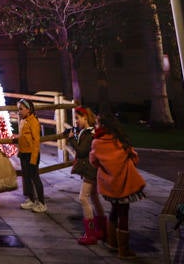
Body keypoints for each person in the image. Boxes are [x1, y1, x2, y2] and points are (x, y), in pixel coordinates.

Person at [89, 113, 147, 260]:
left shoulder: (96, 142)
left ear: (102, 126)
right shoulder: (119, 140)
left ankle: (112, 242)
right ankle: (123, 250)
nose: (95, 126)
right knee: (123, 214)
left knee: (114, 210)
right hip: (125, 183)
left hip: (110, 185)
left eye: (97, 123)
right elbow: (134, 157)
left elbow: (93, 161)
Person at [65, 105, 106, 244]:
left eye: (77, 118)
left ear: (85, 118)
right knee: (94, 197)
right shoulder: (89, 132)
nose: (76, 121)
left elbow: (81, 151)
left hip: (90, 170)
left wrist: (71, 139)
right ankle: (102, 230)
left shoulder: (89, 134)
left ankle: (90, 233)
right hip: (92, 170)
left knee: (83, 198)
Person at [14, 98, 46, 213]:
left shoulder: (33, 121)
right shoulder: (23, 120)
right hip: (24, 154)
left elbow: (36, 141)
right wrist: (17, 138)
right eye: (18, 109)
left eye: (21, 109)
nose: (19, 111)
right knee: (27, 178)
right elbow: (24, 136)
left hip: (32, 154)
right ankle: (31, 199)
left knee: (35, 178)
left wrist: (34, 158)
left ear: (28, 109)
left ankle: (42, 203)